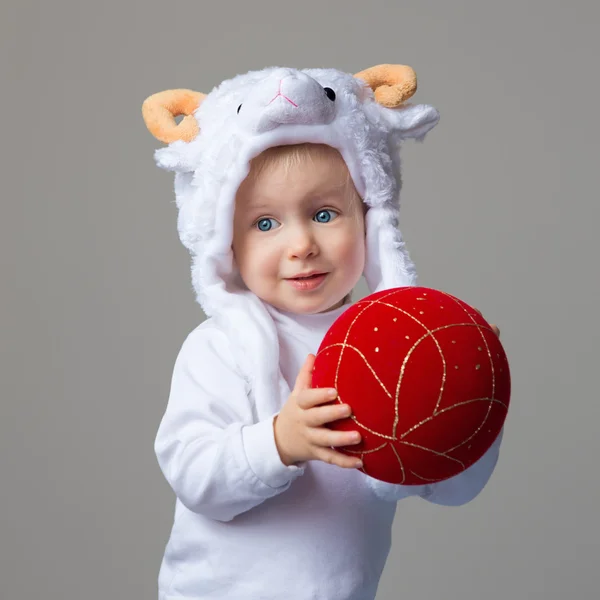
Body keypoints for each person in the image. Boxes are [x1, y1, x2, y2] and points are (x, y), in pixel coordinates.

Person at [142, 64, 504, 600]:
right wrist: (279, 442)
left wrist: (473, 399)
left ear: (370, 219)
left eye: (326, 213)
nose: (301, 245)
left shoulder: (395, 349)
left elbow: (452, 488)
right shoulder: (219, 349)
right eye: (266, 223)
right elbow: (194, 477)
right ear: (226, 243)